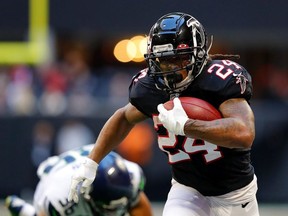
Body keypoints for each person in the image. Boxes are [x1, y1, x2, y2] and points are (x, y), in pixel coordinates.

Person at [68, 12, 259, 216]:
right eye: (163, 60)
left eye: (178, 59)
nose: (170, 68)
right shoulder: (151, 87)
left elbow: (244, 134)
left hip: (235, 194)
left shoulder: (219, 81)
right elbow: (123, 117)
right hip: (187, 190)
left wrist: (188, 126)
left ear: (199, 54)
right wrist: (92, 161)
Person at [5, 144, 152, 216]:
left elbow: (138, 203)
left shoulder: (131, 174)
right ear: (88, 195)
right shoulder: (60, 198)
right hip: (55, 177)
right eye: (108, 209)